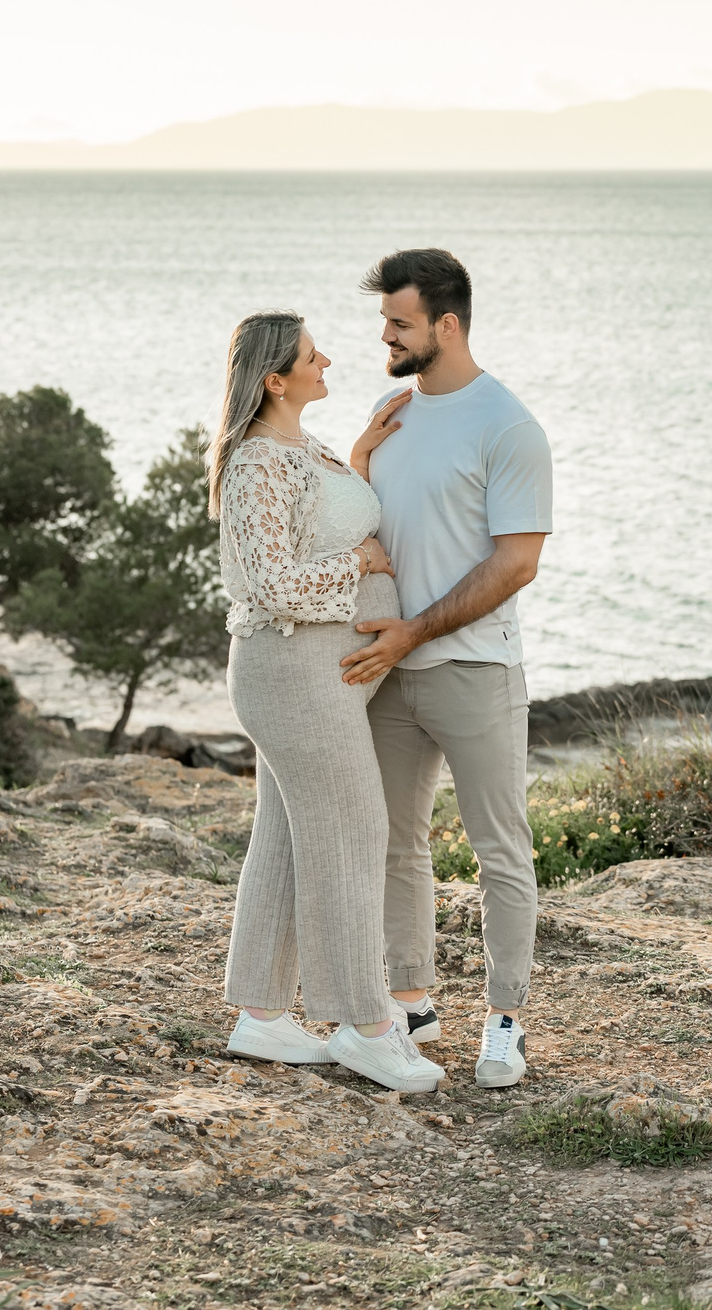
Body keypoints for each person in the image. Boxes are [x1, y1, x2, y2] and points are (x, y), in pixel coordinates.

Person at [212, 310, 443, 1094]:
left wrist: (362, 455)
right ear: (276, 379)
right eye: (313, 356)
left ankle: (261, 1014)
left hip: (315, 676)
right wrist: (359, 566)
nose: (329, 359)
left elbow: (320, 527)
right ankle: (364, 1023)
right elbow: (270, 583)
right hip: (292, 675)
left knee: (283, 838)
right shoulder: (254, 465)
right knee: (353, 828)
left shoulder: (298, 449)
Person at [342, 249, 553, 1089]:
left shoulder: (508, 425)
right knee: (395, 842)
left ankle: (505, 1020)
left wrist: (413, 633)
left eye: (398, 322)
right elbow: (371, 530)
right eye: (384, 322)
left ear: (447, 325)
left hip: (473, 668)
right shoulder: (388, 410)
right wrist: (357, 464)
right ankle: (412, 1003)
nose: (384, 336)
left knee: (500, 848)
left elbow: (516, 564)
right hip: (388, 672)